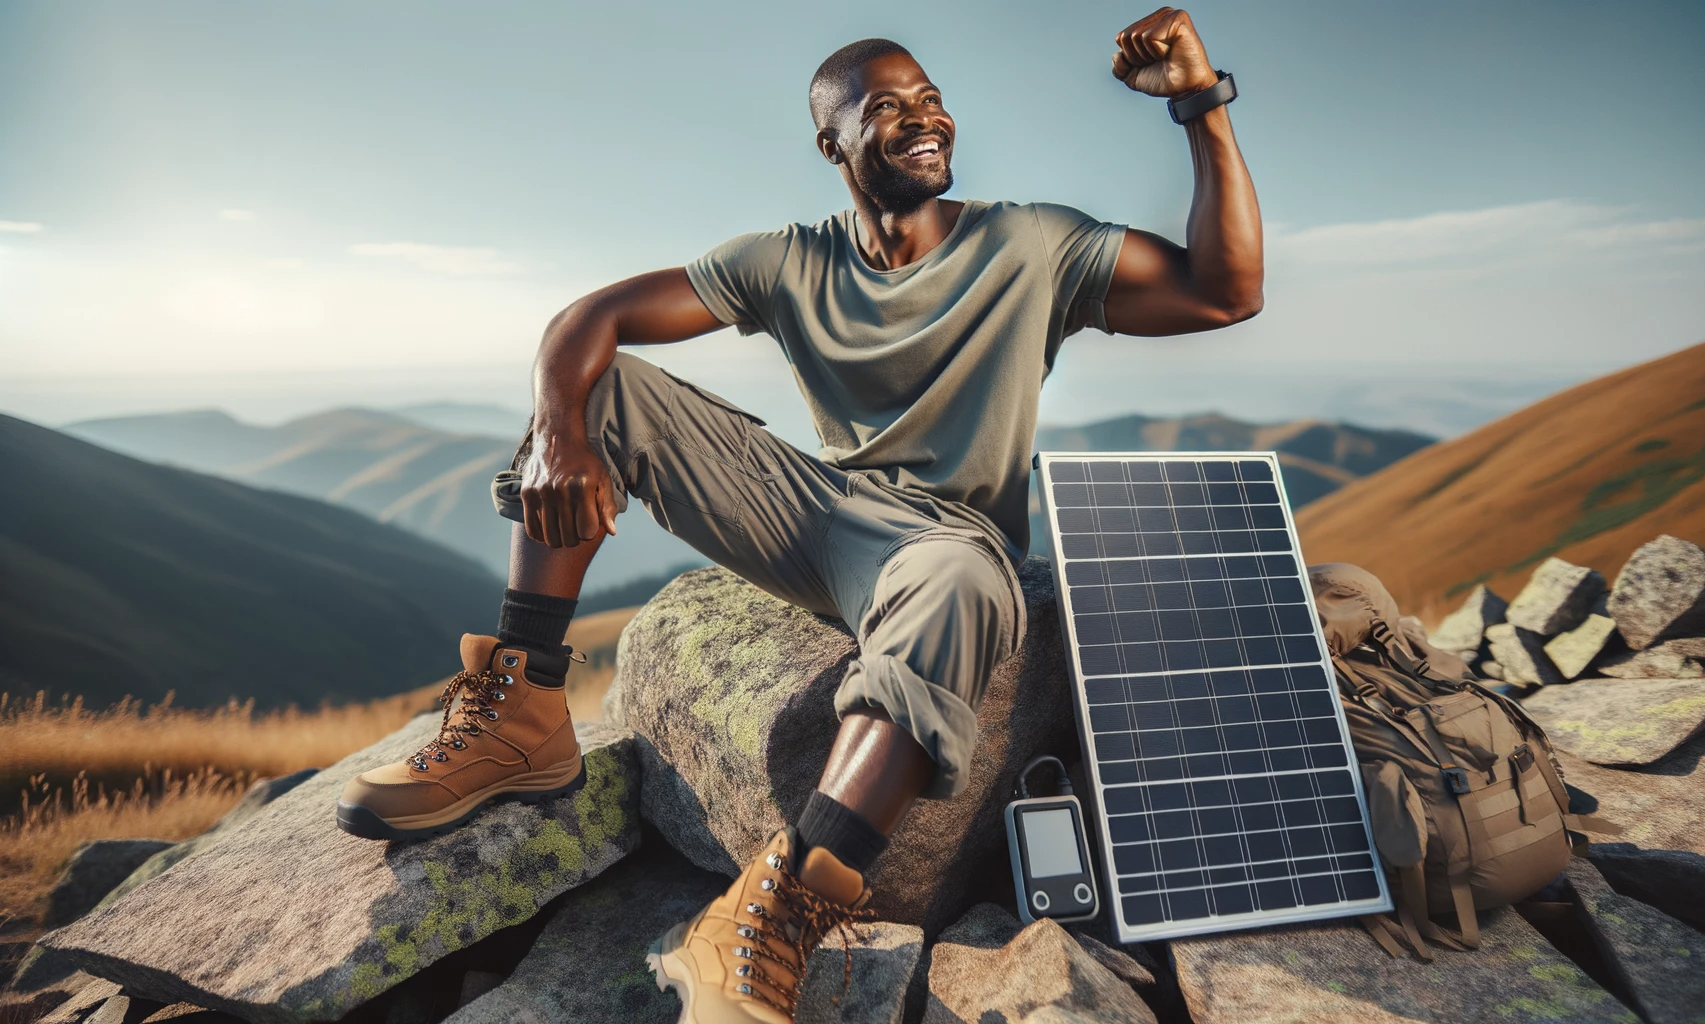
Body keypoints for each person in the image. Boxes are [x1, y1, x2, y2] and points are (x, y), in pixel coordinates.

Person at [336, 7, 1261, 1021]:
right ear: (833, 143)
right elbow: (588, 321)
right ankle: (521, 708)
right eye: (888, 108)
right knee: (603, 389)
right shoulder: (790, 260)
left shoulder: (1030, 243)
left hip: (948, 546)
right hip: (817, 520)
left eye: (933, 101)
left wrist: (1196, 106)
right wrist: (561, 428)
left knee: (953, 575)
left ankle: (770, 914)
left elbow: (1226, 291)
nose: (924, 120)